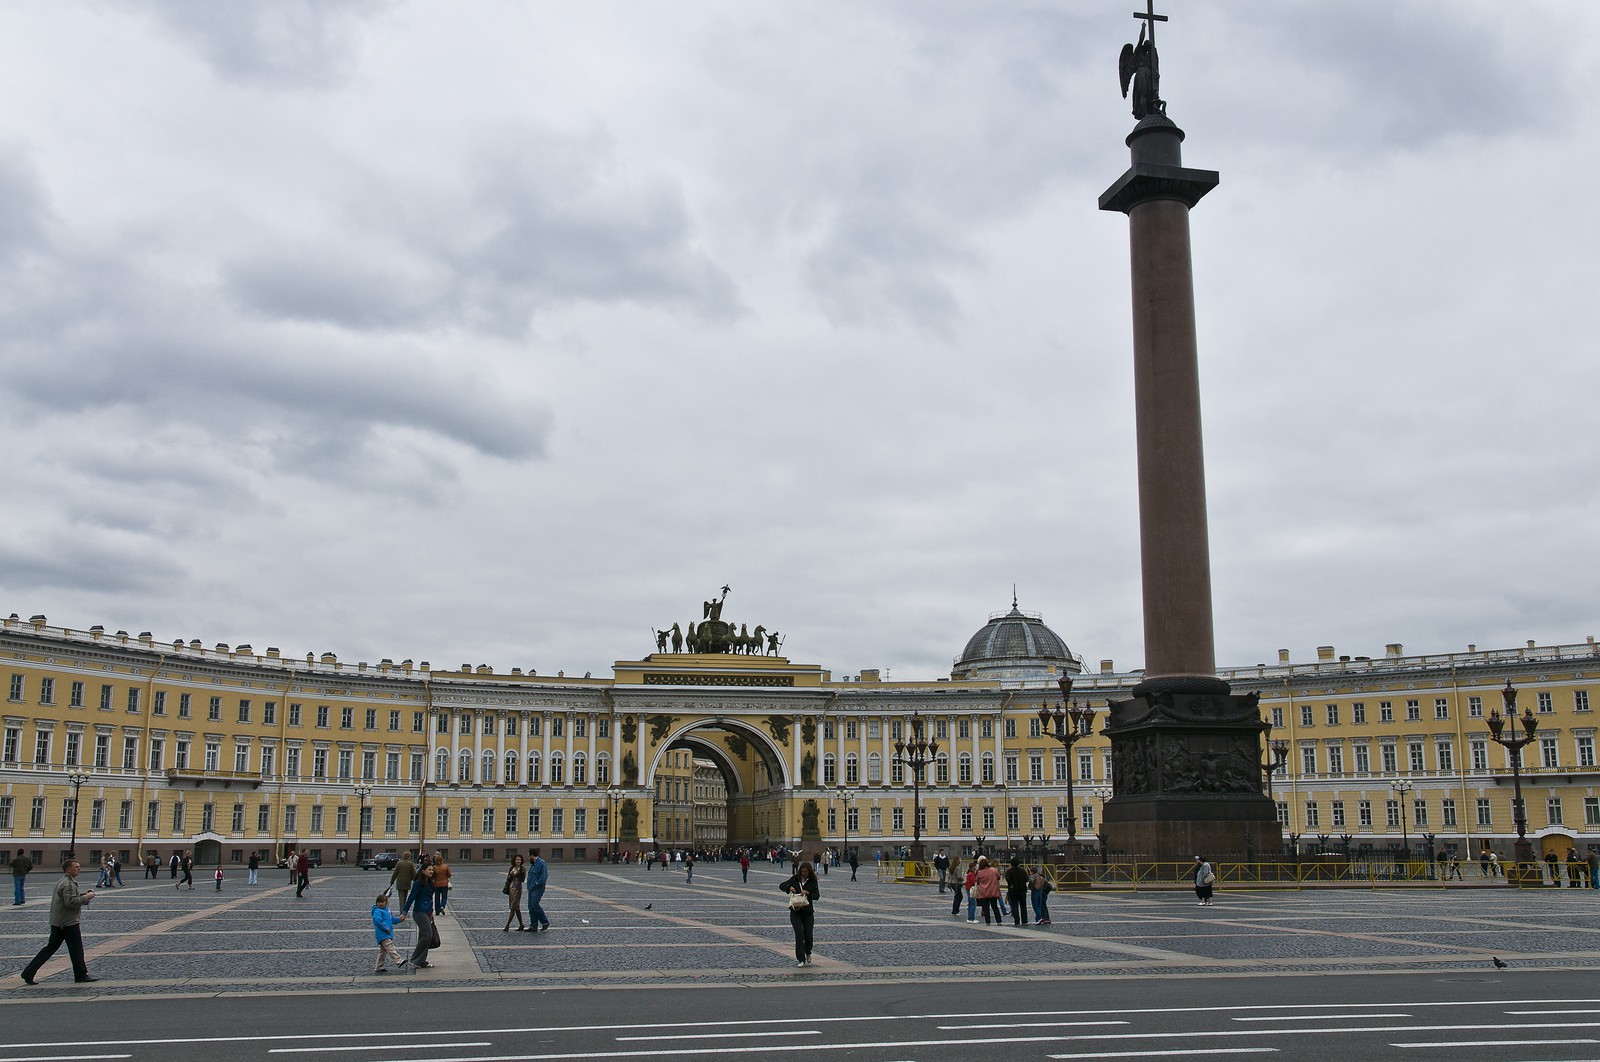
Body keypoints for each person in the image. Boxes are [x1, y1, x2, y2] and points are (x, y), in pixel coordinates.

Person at [19, 859, 97, 984]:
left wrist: (83, 895)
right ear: (68, 869)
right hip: (68, 922)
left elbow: (69, 897)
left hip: (58, 921)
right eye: (76, 867)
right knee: (76, 949)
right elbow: (70, 902)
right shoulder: (68, 884)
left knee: (50, 948)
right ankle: (81, 974)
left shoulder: (64, 881)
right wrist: (87, 897)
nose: (79, 868)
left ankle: (28, 972)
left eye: (79, 866)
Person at [779, 859, 820, 967]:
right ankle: (800, 959)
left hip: (807, 912)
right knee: (799, 934)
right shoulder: (795, 879)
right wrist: (789, 888)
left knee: (808, 935)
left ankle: (808, 951)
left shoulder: (812, 881)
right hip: (795, 911)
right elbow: (781, 885)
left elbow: (817, 896)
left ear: (809, 872)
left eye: (805, 872)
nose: (803, 874)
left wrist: (808, 893)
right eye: (802, 871)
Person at [399, 859, 438, 969]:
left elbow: (430, 898)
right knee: (427, 935)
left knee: (424, 936)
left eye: (432, 870)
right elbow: (411, 898)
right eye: (429, 870)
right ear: (423, 871)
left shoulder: (430, 882)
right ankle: (415, 959)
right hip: (419, 912)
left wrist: (431, 913)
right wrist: (404, 913)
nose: (431, 871)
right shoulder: (418, 883)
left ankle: (422, 961)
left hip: (427, 912)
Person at [372, 891, 408, 973]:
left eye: (382, 902)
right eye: (379, 902)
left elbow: (391, 919)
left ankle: (379, 966)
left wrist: (399, 919)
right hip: (383, 934)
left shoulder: (387, 911)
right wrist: (386, 928)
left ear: (386, 903)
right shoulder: (378, 911)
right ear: (377, 903)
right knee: (390, 948)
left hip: (385, 933)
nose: (381, 903)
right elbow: (378, 921)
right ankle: (399, 961)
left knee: (383, 951)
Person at [526, 848, 550, 932]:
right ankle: (533, 926)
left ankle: (545, 922)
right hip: (531, 888)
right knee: (531, 907)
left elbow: (543, 877)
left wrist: (536, 884)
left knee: (535, 905)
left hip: (537, 888)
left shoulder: (541, 863)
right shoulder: (534, 864)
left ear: (532, 855)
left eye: (529, 855)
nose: (528, 857)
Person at [974, 857, 1002, 924]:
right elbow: (998, 877)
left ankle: (987, 921)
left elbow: (977, 880)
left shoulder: (980, 872)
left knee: (986, 907)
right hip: (993, 891)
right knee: (995, 906)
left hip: (984, 892)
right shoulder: (993, 870)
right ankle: (998, 921)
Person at [504, 854, 526, 932]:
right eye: (517, 860)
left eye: (519, 860)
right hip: (511, 888)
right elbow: (508, 878)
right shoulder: (511, 868)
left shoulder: (522, 869)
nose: (518, 861)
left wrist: (518, 875)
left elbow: (523, 880)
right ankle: (521, 924)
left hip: (517, 888)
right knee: (516, 908)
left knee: (513, 907)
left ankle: (507, 925)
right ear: (514, 860)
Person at [1004, 858, 1030, 926]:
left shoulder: (1009, 871)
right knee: (1023, 906)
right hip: (1022, 890)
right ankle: (1024, 920)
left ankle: (1017, 921)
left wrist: (1011, 885)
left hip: (1013, 890)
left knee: (1014, 906)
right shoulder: (1022, 871)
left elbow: (1008, 879)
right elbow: (1027, 879)